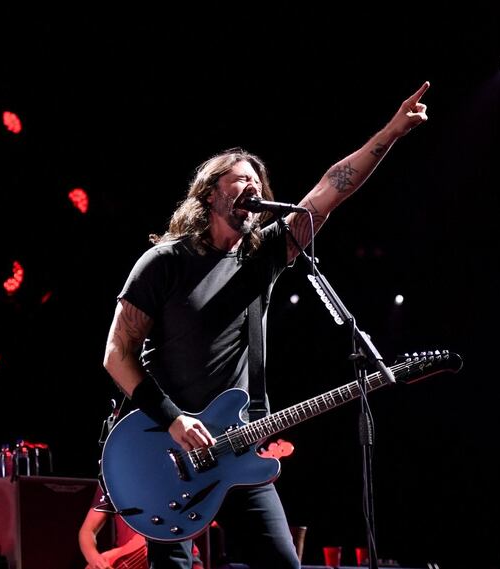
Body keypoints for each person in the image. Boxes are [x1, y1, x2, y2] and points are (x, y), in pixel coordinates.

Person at [103, 81, 430, 569]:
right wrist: (173, 418)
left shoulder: (263, 256)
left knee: (282, 563)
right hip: (164, 445)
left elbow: (328, 192)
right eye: (241, 180)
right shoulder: (164, 263)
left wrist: (391, 132)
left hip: (236, 446)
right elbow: (116, 354)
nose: (254, 187)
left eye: (259, 182)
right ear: (211, 194)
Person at [78, 481, 205, 569]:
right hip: (127, 561)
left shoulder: (169, 469)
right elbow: (87, 531)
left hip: (178, 556)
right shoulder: (110, 480)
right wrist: (95, 560)